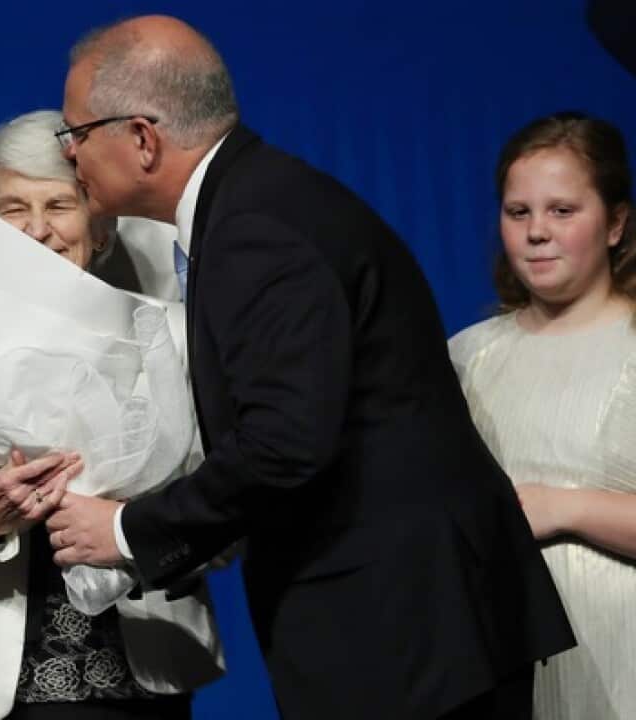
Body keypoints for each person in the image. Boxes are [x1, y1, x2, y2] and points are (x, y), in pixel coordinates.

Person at [45, 16, 575, 719]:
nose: (70, 156)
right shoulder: (260, 201)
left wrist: (124, 529)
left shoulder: (254, 228)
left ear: (142, 138)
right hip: (415, 624)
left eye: (76, 134)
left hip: (407, 634)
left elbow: (286, 443)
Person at [0, 110, 224, 720]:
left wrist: (127, 523)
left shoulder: (168, 339)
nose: (37, 230)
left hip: (142, 679)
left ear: (100, 225)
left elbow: (228, 519)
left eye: (60, 206)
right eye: (14, 209)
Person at [449, 112, 636, 720]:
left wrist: (566, 507)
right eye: (518, 212)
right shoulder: (467, 357)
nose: (537, 232)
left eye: (562, 210)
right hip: (501, 664)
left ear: (614, 223)